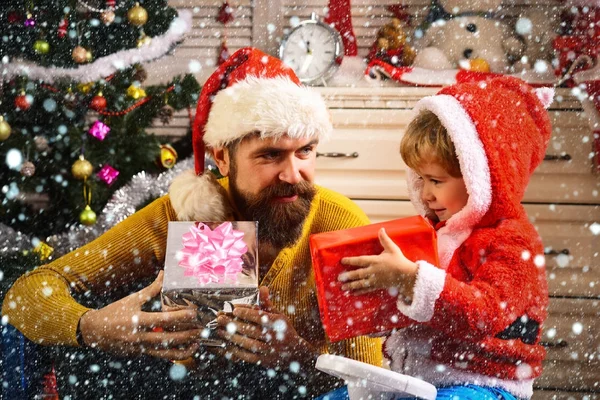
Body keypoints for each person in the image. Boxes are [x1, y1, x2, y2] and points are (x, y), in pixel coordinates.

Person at [2, 47, 382, 399]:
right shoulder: (182, 212)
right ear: (223, 158)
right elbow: (27, 293)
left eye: (305, 151)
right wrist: (94, 327)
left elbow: (370, 385)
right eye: (270, 155)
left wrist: (298, 356)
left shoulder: (340, 224)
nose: (292, 173)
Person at [335, 76, 553, 399]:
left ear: (480, 176)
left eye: (436, 180)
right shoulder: (433, 233)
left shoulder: (512, 243)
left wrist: (410, 278)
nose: (425, 193)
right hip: (416, 379)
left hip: (484, 382)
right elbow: (414, 311)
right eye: (420, 179)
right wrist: (374, 298)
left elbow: (483, 314)